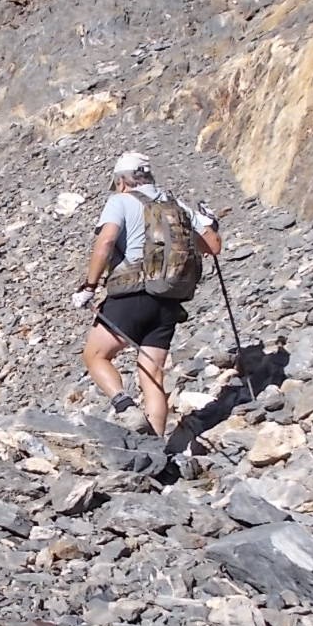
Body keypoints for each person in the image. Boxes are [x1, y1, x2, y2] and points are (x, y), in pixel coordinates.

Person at [73, 151, 220, 435]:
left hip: (131, 293)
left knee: (95, 355)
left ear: (121, 181)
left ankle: (125, 406)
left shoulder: (120, 201)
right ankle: (156, 446)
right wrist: (210, 224)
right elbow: (213, 246)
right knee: (152, 375)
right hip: (169, 298)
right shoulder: (175, 204)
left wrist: (90, 286)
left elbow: (106, 241)